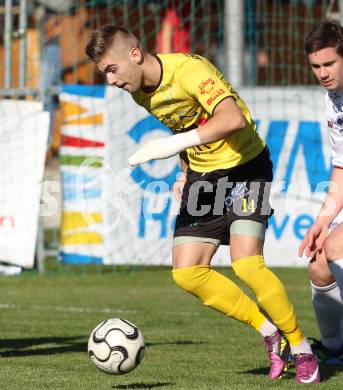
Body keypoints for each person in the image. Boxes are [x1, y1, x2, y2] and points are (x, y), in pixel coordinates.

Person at [85, 25, 319, 384]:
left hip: (246, 168)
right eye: (105, 74)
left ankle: (301, 348)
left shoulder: (190, 71)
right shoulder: (140, 93)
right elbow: (185, 128)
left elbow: (233, 119)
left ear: (135, 54)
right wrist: (184, 170)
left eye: (111, 69)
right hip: (203, 178)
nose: (111, 80)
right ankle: (269, 332)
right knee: (186, 271)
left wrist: (169, 147)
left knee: (247, 266)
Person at [299, 20, 343, 366]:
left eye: (329, 63)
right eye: (316, 66)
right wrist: (322, 220)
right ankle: (334, 348)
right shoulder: (333, 102)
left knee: (338, 246)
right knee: (319, 265)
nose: (322, 73)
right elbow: (341, 169)